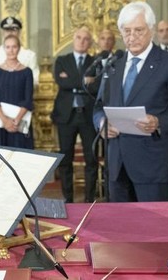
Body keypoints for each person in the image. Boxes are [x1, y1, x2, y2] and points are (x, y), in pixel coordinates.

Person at [92, 1, 168, 202]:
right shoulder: (114, 64)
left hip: (152, 164)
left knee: (153, 229)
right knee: (119, 230)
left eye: (138, 30)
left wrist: (158, 121)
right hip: (116, 164)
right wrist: (102, 123)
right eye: (127, 31)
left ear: (152, 31)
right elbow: (98, 106)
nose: (132, 37)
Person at [51, 27, 99, 203]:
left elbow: (95, 86)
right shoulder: (62, 60)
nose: (82, 41)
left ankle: (89, 199)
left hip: (88, 116)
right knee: (65, 159)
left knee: (91, 159)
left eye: (86, 39)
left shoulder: (96, 62)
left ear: (90, 43)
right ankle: (68, 199)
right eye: (79, 37)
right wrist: (84, 82)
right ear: (73, 39)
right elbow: (61, 81)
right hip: (66, 116)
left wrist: (73, 81)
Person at [0, 35, 34, 149]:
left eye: (14, 47)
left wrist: (16, 121)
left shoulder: (27, 72)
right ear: (4, 49)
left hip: (20, 121)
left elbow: (28, 99)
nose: (11, 50)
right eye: (8, 47)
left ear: (19, 48)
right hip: (1, 123)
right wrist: (5, 121)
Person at [0, 16, 40, 86]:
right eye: (7, 30)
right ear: (2, 32)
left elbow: (35, 79)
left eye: (13, 30)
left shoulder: (30, 55)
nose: (10, 33)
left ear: (19, 32)